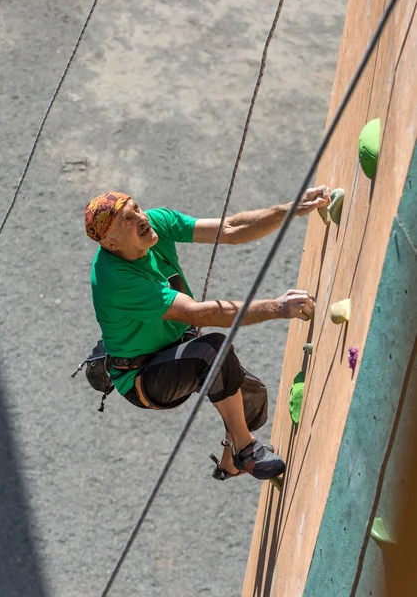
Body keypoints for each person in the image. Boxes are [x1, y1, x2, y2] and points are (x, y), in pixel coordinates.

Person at [84, 186, 330, 481]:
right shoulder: (115, 279)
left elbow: (230, 228)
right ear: (110, 243)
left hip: (175, 344)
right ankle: (247, 449)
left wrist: (289, 209)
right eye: (127, 219)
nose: (139, 217)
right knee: (212, 351)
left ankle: (231, 462)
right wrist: (277, 308)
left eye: (136, 208)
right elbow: (197, 314)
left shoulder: (152, 223)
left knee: (251, 399)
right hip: (143, 375)